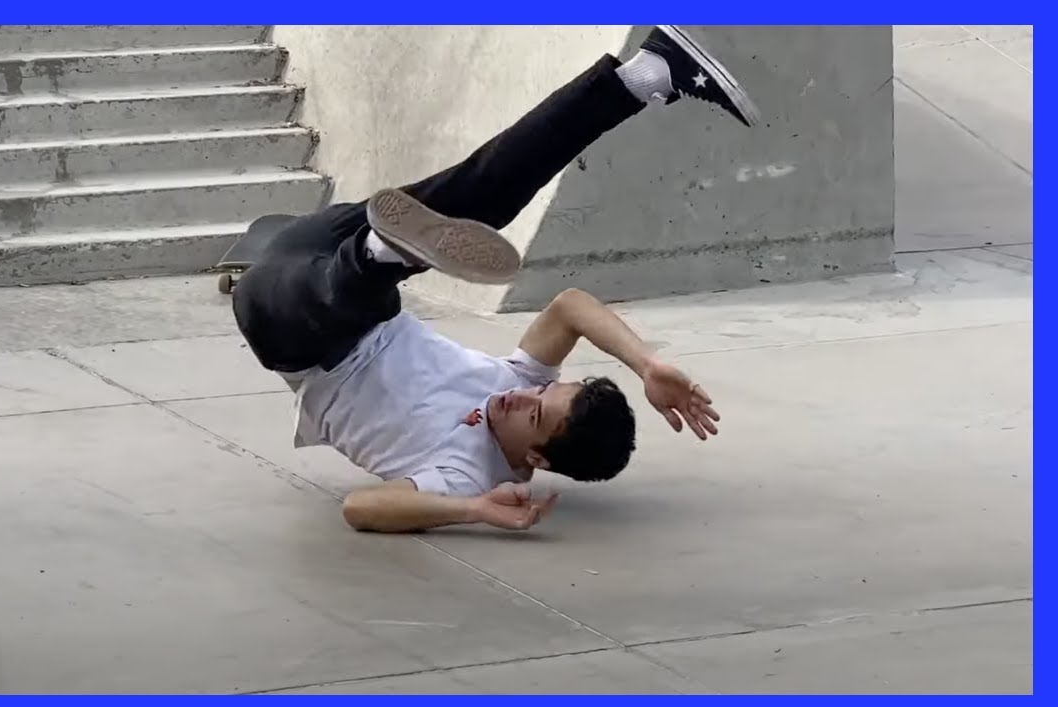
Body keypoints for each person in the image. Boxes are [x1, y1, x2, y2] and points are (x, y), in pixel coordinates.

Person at [233, 26, 753, 533]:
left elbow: (361, 508)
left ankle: (383, 254)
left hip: (296, 330)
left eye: (533, 416)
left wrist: (476, 510)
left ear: (534, 457)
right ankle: (645, 75)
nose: (521, 396)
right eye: (545, 393)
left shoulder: (466, 475)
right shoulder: (525, 386)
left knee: (339, 295)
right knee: (483, 200)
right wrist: (646, 363)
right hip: (331, 255)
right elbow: (570, 307)